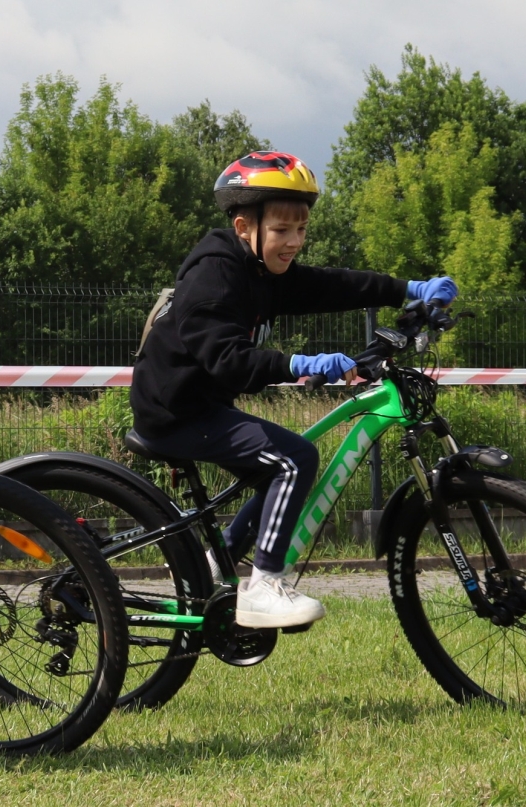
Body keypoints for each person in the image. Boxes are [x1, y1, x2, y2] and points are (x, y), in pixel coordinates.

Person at [128, 151, 458, 629]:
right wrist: (302, 364)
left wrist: (410, 288)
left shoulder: (262, 271)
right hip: (174, 412)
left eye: (302, 230)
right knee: (294, 459)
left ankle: (214, 566)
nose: (295, 242)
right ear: (244, 227)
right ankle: (264, 587)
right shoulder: (213, 274)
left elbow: (333, 285)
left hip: (201, 405)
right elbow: (227, 360)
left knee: (276, 470)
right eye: (282, 230)